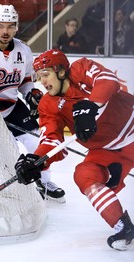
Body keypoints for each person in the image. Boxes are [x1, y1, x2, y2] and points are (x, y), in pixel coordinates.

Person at [14, 49, 134, 250]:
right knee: (84, 175)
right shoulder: (47, 104)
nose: (42, 82)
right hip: (107, 151)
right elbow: (52, 141)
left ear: (61, 71)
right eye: (39, 77)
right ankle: (123, 225)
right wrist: (36, 160)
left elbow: (107, 80)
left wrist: (90, 105)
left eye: (45, 75)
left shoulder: (81, 69)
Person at [0, 4, 66, 202]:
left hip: (12, 106)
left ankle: (44, 181)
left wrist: (32, 93)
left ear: (16, 27)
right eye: (1, 26)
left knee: (37, 142)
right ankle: (20, 189)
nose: (5, 31)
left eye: (10, 26)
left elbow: (25, 79)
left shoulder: (23, 50)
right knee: (10, 153)